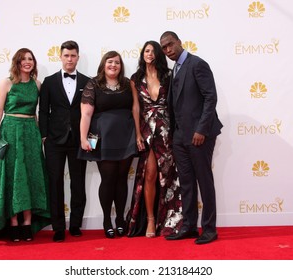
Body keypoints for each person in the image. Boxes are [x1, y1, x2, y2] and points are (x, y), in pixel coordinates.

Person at [0, 48, 50, 242]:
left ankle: (27, 223)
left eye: (31, 59)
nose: (28, 62)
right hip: (9, 131)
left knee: (29, 177)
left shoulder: (37, 84)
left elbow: (41, 113)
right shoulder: (7, 83)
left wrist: (43, 135)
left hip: (30, 133)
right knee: (12, 177)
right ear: (17, 62)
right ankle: (13, 223)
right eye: (23, 59)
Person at [160, 31, 223, 245]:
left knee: (204, 181)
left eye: (170, 44)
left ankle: (209, 229)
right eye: (164, 47)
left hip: (199, 136)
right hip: (179, 136)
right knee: (186, 183)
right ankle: (188, 226)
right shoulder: (174, 70)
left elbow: (210, 97)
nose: (168, 50)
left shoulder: (197, 64)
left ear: (179, 42)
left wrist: (202, 130)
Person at [127, 41, 183, 238]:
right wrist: (137, 134)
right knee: (149, 173)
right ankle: (150, 219)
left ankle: (169, 218)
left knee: (168, 176)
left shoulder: (168, 76)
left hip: (167, 131)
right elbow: (135, 107)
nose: (150, 54)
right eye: (147, 50)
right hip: (146, 129)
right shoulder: (135, 78)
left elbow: (175, 104)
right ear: (143, 54)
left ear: (159, 54)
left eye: (153, 51)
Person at [78, 51, 136, 239]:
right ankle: (106, 221)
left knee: (122, 179)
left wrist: (139, 135)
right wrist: (83, 138)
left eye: (117, 62)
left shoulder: (128, 84)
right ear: (104, 64)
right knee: (108, 179)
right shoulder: (93, 84)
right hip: (103, 138)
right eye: (110, 62)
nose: (113, 65)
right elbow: (86, 114)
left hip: (127, 136)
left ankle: (120, 219)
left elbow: (135, 108)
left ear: (121, 66)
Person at [39, 40, 90, 242]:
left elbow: (91, 114)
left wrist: (90, 141)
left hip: (79, 140)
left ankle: (75, 225)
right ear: (60, 57)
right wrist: (44, 136)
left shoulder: (88, 81)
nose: (70, 59)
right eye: (66, 55)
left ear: (78, 57)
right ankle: (58, 227)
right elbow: (43, 111)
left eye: (73, 55)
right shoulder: (49, 81)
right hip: (54, 140)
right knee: (55, 183)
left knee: (78, 183)